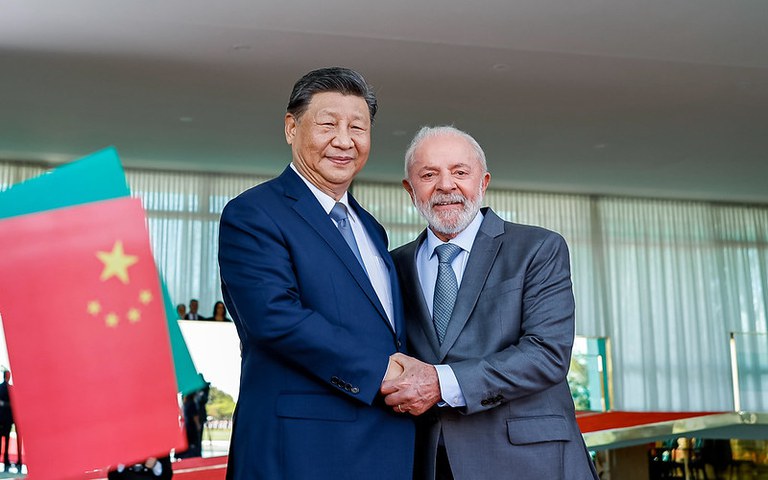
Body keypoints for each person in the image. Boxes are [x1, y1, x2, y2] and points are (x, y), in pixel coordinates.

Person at [218, 67, 414, 480]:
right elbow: (275, 318)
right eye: (328, 124)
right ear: (291, 127)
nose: (344, 141)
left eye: (358, 127)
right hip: (301, 452)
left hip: (382, 447)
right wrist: (384, 371)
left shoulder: (371, 228)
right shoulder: (253, 213)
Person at [382, 126, 599, 479]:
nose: (446, 185)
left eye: (460, 172)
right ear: (411, 190)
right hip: (430, 462)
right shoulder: (392, 265)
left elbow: (547, 354)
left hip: (530, 461)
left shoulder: (538, 248)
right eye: (429, 174)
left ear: (483, 182)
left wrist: (441, 382)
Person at [0, 370, 13, 471]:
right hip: (7, 417)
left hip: (2, 417)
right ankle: (5, 459)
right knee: (7, 439)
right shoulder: (10, 389)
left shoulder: (1, 387)